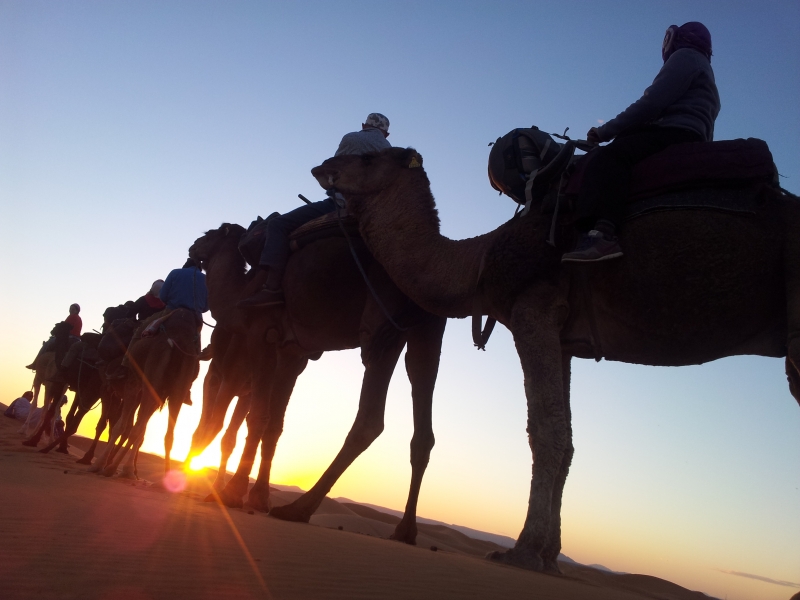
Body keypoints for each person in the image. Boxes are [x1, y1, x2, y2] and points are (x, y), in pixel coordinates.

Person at [562, 22, 720, 263]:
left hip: (674, 132)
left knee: (610, 157)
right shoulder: (705, 72)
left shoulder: (685, 57)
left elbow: (651, 104)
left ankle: (602, 233)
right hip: (691, 136)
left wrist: (604, 132)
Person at [239, 113, 392, 307]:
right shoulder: (390, 152)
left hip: (342, 205)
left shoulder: (351, 138)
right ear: (386, 134)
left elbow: (334, 173)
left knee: (278, 225)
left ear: (364, 125)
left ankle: (272, 287)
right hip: (375, 214)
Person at [26, 303, 83, 369]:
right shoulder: (79, 319)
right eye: (70, 309)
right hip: (76, 338)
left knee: (48, 343)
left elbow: (63, 328)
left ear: (77, 311)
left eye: (73, 309)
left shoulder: (72, 317)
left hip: (70, 337)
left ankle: (35, 363)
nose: (71, 310)